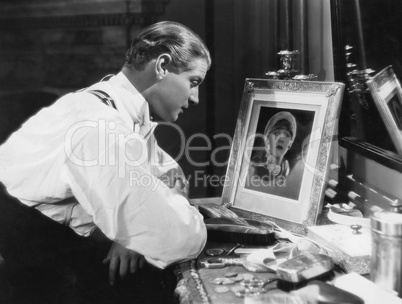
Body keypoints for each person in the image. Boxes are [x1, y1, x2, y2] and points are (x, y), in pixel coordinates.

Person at [0, 21, 210, 303]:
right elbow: (178, 237)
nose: (195, 98)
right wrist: (141, 226)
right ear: (162, 66)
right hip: (41, 271)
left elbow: (171, 175)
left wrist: (135, 229)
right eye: (193, 82)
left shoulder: (117, 105)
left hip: (60, 248)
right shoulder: (100, 126)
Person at [249, 111, 297, 186]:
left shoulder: (288, 171)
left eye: (286, 135)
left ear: (290, 144)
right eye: (276, 133)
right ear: (267, 139)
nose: (281, 139)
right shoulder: (254, 168)